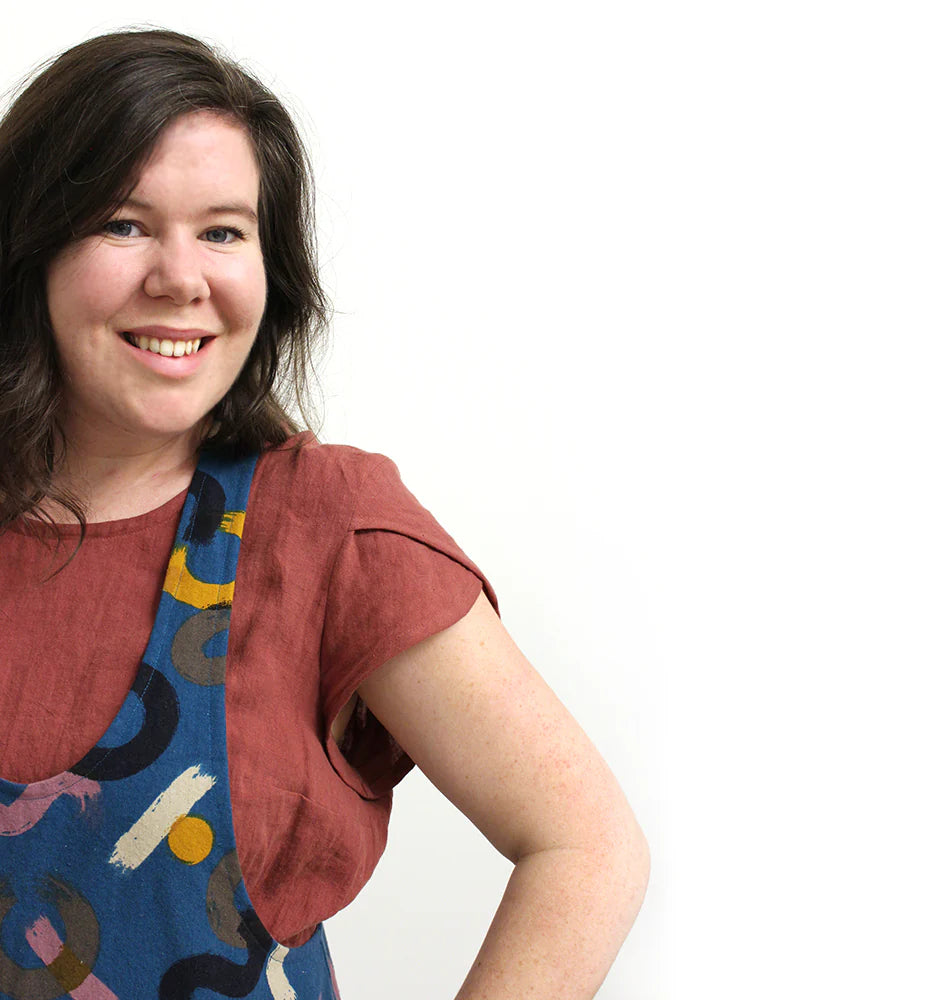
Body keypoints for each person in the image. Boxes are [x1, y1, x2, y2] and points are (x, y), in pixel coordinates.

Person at [0, 27, 648, 999]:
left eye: (222, 231)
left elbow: (585, 845)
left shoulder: (321, 528)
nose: (182, 277)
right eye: (124, 224)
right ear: (30, 246)